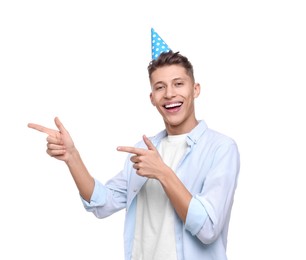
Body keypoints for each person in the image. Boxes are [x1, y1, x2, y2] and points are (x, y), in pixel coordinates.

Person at [28, 29, 240, 260]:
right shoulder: (145, 150)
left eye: (178, 84)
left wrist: (163, 173)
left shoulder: (221, 148)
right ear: (152, 98)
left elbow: (208, 228)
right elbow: (102, 203)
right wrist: (72, 157)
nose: (169, 94)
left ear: (195, 89)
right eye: (160, 87)